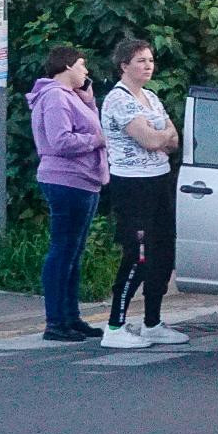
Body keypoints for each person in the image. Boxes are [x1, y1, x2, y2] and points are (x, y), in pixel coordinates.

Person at [99, 37, 189, 349]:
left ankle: (152, 321)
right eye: (140, 61)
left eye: (150, 60)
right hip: (132, 185)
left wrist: (160, 136)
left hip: (159, 180)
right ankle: (115, 325)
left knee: (163, 253)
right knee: (137, 255)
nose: (148, 65)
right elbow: (150, 140)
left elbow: (173, 138)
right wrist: (159, 136)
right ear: (124, 66)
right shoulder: (119, 100)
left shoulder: (150, 97)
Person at [27, 46, 109, 342]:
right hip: (66, 180)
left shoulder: (72, 97)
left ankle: (71, 317)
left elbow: (89, 123)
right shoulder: (55, 97)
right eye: (82, 65)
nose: (86, 72)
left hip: (84, 179)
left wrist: (88, 100)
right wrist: (97, 139)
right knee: (63, 249)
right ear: (67, 66)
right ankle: (56, 321)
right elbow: (60, 140)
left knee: (73, 251)